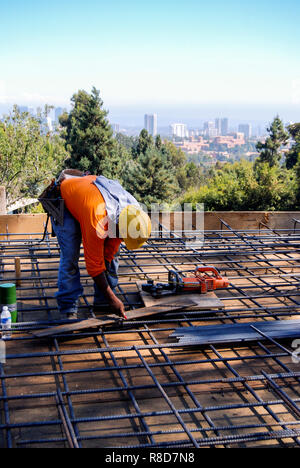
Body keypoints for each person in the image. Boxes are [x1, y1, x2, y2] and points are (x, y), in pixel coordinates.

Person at [50, 169, 151, 320]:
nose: (122, 240)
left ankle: (103, 302)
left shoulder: (132, 210)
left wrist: (108, 260)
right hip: (63, 200)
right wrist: (113, 298)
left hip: (90, 198)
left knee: (111, 257)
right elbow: (94, 266)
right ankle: (68, 307)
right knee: (70, 255)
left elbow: (111, 248)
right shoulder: (97, 218)